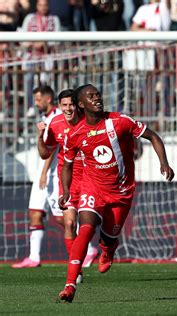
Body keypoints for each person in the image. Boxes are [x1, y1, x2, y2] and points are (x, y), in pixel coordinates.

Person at [57, 84, 174, 303]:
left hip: (121, 191)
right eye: (91, 97)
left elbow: (153, 136)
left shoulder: (120, 121)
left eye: (98, 95)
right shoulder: (76, 134)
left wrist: (164, 163)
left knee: (110, 237)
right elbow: (67, 165)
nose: (97, 99)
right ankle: (70, 285)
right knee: (85, 229)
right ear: (81, 104)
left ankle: (108, 249)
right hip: (93, 189)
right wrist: (66, 191)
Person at [37, 89, 98, 276]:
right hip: (67, 179)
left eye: (71, 104)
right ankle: (76, 268)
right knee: (69, 223)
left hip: (90, 178)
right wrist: (40, 137)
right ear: (59, 106)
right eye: (64, 105)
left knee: (89, 224)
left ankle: (100, 249)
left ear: (77, 105)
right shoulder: (54, 123)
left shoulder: (88, 121)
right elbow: (45, 153)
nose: (68, 108)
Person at [12, 86, 62, 269]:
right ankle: (34, 257)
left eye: (38, 99)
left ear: (48, 99)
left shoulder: (57, 118)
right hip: (42, 175)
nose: (36, 103)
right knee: (35, 212)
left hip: (54, 175)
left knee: (61, 218)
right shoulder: (45, 117)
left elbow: (53, 146)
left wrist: (44, 173)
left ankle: (88, 249)